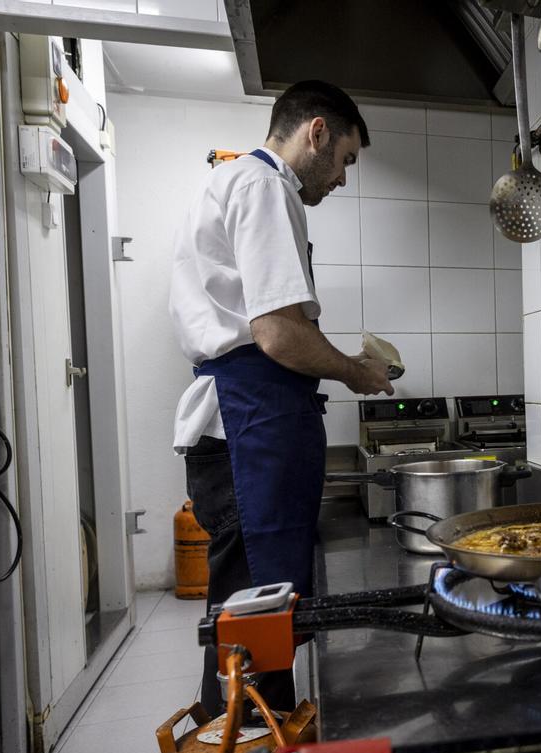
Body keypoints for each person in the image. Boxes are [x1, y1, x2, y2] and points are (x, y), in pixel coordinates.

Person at [170, 80, 393, 716]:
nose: (344, 178)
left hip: (249, 419)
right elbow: (277, 332)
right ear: (316, 132)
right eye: (346, 159)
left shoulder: (234, 183)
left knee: (249, 612)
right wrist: (355, 371)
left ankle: (246, 738)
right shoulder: (264, 185)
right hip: (250, 422)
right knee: (254, 617)